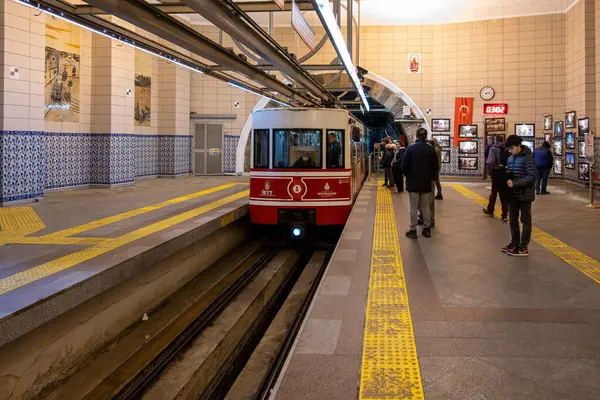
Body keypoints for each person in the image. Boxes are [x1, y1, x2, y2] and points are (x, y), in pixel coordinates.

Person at [401, 128, 439, 239]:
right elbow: (435, 167)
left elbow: (404, 165)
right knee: (426, 206)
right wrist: (430, 177)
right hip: (426, 182)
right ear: (426, 137)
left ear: (417, 136)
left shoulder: (410, 149)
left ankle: (413, 230)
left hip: (413, 182)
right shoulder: (431, 149)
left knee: (413, 206)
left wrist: (407, 174)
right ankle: (427, 229)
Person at [503, 135, 536, 257]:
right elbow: (510, 173)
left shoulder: (528, 159)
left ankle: (523, 246)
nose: (510, 151)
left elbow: (531, 177)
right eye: (508, 149)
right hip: (513, 194)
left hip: (525, 195)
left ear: (518, 146)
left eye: (511, 148)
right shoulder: (511, 158)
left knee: (525, 220)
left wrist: (515, 183)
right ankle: (514, 243)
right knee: (512, 220)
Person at [483, 139, 511, 222]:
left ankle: (490, 209)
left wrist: (490, 173)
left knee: (494, 192)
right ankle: (505, 215)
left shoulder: (493, 148)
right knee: (504, 194)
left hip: (497, 172)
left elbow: (490, 162)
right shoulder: (508, 148)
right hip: (506, 172)